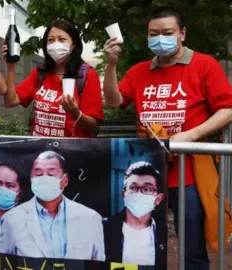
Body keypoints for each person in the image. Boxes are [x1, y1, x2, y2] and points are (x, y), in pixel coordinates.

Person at [102, 7, 232, 269]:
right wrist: (111, 64)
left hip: (190, 173)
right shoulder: (139, 71)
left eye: (167, 32)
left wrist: (191, 135)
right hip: (147, 174)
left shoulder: (204, 65)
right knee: (138, 244)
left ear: (182, 34)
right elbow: (115, 101)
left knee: (192, 247)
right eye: (154, 33)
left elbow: (227, 109)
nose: (160, 38)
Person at [2, 20, 104, 138]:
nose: (56, 44)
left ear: (73, 44)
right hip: (41, 152)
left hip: (73, 153)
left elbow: (93, 126)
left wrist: (75, 113)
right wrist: (10, 67)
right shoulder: (40, 73)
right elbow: (10, 101)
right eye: (50, 40)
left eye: (62, 39)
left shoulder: (87, 75)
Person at [0, 151, 105, 260]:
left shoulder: (90, 218)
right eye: (39, 174)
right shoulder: (12, 219)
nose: (44, 179)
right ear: (31, 179)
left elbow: (99, 263)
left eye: (51, 174)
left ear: (65, 180)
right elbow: (3, 263)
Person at [103, 161, 166, 266]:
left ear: (158, 199)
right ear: (124, 195)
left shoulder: (164, 233)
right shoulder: (103, 228)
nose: (138, 193)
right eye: (133, 188)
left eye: (147, 189)